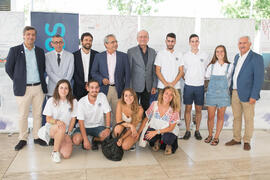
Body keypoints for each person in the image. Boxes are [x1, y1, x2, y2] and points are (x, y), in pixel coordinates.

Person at [5, 26, 48, 151]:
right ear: (23, 35)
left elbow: (42, 69)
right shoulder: (15, 50)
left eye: (33, 35)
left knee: (38, 114)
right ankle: (22, 138)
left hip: (38, 87)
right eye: (28, 34)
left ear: (35, 37)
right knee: (23, 115)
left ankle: (36, 136)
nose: (31, 37)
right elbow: (8, 68)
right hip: (23, 88)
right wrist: (19, 80)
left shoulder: (40, 51)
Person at [225, 36, 264, 151]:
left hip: (248, 94)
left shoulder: (256, 58)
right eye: (240, 43)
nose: (242, 45)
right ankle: (236, 138)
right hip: (235, 92)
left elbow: (259, 78)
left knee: (248, 118)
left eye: (244, 43)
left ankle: (247, 140)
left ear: (250, 44)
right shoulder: (237, 57)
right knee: (236, 118)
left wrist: (254, 95)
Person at [91, 34, 130, 125]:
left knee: (118, 114)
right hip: (103, 89)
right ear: (106, 44)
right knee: (103, 113)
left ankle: (115, 136)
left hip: (118, 90)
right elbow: (93, 72)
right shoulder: (99, 56)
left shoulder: (123, 56)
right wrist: (101, 79)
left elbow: (128, 75)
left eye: (116, 42)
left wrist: (126, 91)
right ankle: (104, 135)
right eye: (112, 42)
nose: (115, 44)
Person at [204, 45, 233, 146]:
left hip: (223, 95)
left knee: (220, 117)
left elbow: (229, 81)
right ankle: (210, 135)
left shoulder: (230, 66)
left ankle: (216, 137)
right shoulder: (211, 66)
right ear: (215, 54)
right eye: (217, 52)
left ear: (224, 53)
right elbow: (207, 78)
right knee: (210, 117)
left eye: (221, 51)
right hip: (211, 94)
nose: (219, 53)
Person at [42, 79, 77, 163]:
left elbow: (73, 119)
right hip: (52, 127)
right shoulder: (51, 101)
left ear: (69, 90)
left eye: (66, 88)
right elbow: (48, 119)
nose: (63, 90)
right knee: (61, 126)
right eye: (61, 88)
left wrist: (69, 133)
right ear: (57, 89)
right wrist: (57, 122)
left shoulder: (73, 102)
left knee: (66, 155)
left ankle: (60, 140)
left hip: (66, 130)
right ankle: (55, 152)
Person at [182, 34, 209, 140]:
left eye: (196, 41)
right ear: (189, 43)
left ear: (199, 42)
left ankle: (197, 131)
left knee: (198, 110)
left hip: (200, 86)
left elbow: (207, 70)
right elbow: (182, 72)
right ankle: (188, 130)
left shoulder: (205, 55)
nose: (194, 43)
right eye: (192, 41)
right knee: (187, 109)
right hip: (189, 86)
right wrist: (188, 80)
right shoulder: (185, 56)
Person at [72, 80, 111, 151]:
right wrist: (85, 139)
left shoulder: (102, 96)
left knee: (107, 136)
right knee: (76, 141)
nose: (94, 90)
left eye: (96, 88)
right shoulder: (81, 102)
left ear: (99, 88)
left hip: (98, 126)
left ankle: (93, 139)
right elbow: (81, 122)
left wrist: (108, 128)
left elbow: (108, 112)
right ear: (87, 88)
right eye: (92, 87)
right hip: (84, 127)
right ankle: (86, 138)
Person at [143, 86, 180, 155]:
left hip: (168, 131)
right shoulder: (154, 104)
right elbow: (147, 118)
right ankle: (157, 141)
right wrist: (139, 131)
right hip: (156, 129)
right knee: (147, 135)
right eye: (166, 93)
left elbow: (171, 128)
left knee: (167, 138)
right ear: (162, 94)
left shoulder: (174, 110)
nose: (168, 96)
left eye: (171, 95)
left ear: (173, 97)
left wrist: (156, 132)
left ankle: (168, 145)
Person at [127, 30, 157, 112]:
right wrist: (130, 87)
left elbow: (154, 70)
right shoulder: (131, 51)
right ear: (137, 38)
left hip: (148, 86)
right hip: (135, 86)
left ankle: (144, 124)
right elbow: (129, 70)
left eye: (145, 37)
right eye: (140, 37)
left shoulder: (153, 52)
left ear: (148, 39)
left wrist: (154, 85)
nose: (143, 38)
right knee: (133, 108)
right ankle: (134, 124)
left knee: (146, 108)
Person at [155, 32, 184, 116]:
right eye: (169, 41)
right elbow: (157, 70)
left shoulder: (179, 54)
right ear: (166, 41)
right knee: (161, 108)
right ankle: (161, 127)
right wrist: (166, 84)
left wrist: (173, 84)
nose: (170, 43)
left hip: (176, 86)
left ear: (175, 42)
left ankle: (175, 127)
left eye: (172, 41)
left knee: (176, 108)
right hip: (162, 86)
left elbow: (181, 71)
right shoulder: (160, 54)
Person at [73, 32, 99, 100]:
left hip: (93, 89)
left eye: (90, 40)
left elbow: (98, 71)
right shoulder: (74, 55)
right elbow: (74, 73)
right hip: (78, 88)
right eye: (86, 40)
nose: (88, 42)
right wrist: (84, 85)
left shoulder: (97, 55)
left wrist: (91, 85)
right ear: (81, 41)